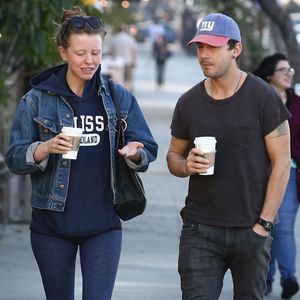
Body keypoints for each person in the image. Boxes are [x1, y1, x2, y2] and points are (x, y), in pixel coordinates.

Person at [5, 6, 157, 300]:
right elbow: (14, 157)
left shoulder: (117, 96)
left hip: (104, 225)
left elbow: (146, 147)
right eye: (80, 53)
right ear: (63, 52)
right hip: (52, 226)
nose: (90, 61)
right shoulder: (36, 100)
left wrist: (135, 153)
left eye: (96, 53)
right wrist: (45, 148)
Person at [166, 13, 291, 299]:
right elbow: (173, 156)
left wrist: (264, 225)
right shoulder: (188, 102)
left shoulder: (263, 97)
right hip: (200, 230)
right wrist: (185, 165)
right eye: (200, 47)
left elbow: (282, 163)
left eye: (212, 47)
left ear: (236, 49)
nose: (203, 55)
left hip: (251, 228)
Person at [254, 53, 299, 299]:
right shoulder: (257, 100)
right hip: (259, 172)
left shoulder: (298, 103)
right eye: (283, 69)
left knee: (282, 227)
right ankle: (267, 278)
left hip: (290, 172)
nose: (289, 73)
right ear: (270, 74)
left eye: (290, 69)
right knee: (267, 224)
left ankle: (289, 277)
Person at [109, 24, 138, 91]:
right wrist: (134, 62)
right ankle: (127, 92)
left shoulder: (115, 38)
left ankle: (121, 93)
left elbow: (111, 51)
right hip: (128, 62)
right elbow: (134, 51)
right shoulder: (130, 39)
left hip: (117, 63)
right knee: (127, 79)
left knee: (119, 80)